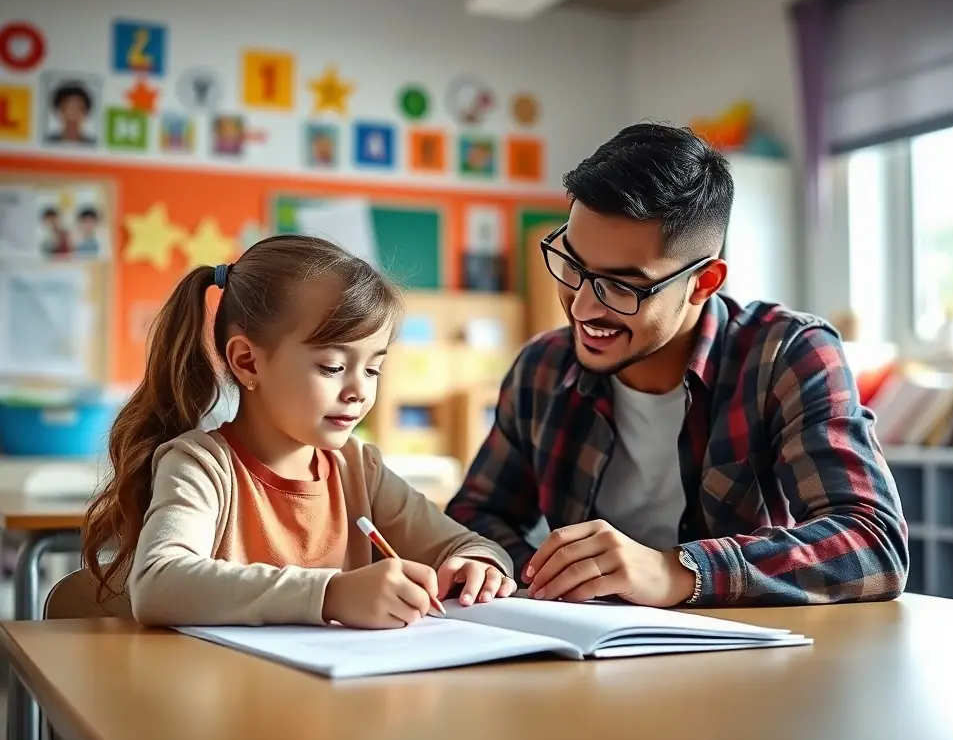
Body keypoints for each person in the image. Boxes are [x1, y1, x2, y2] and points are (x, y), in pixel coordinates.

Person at [447, 123, 909, 608]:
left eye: (622, 286)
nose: (582, 308)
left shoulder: (787, 354)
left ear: (705, 281)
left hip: (745, 661)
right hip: (583, 656)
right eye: (573, 267)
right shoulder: (542, 367)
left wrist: (675, 572)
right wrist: (526, 570)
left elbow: (873, 544)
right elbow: (477, 514)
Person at [81, 235, 515, 629]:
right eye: (333, 367)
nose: (359, 391)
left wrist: (477, 563)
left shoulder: (359, 470)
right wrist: (330, 594)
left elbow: (462, 544)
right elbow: (159, 583)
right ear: (248, 362)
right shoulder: (201, 466)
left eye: (373, 368)